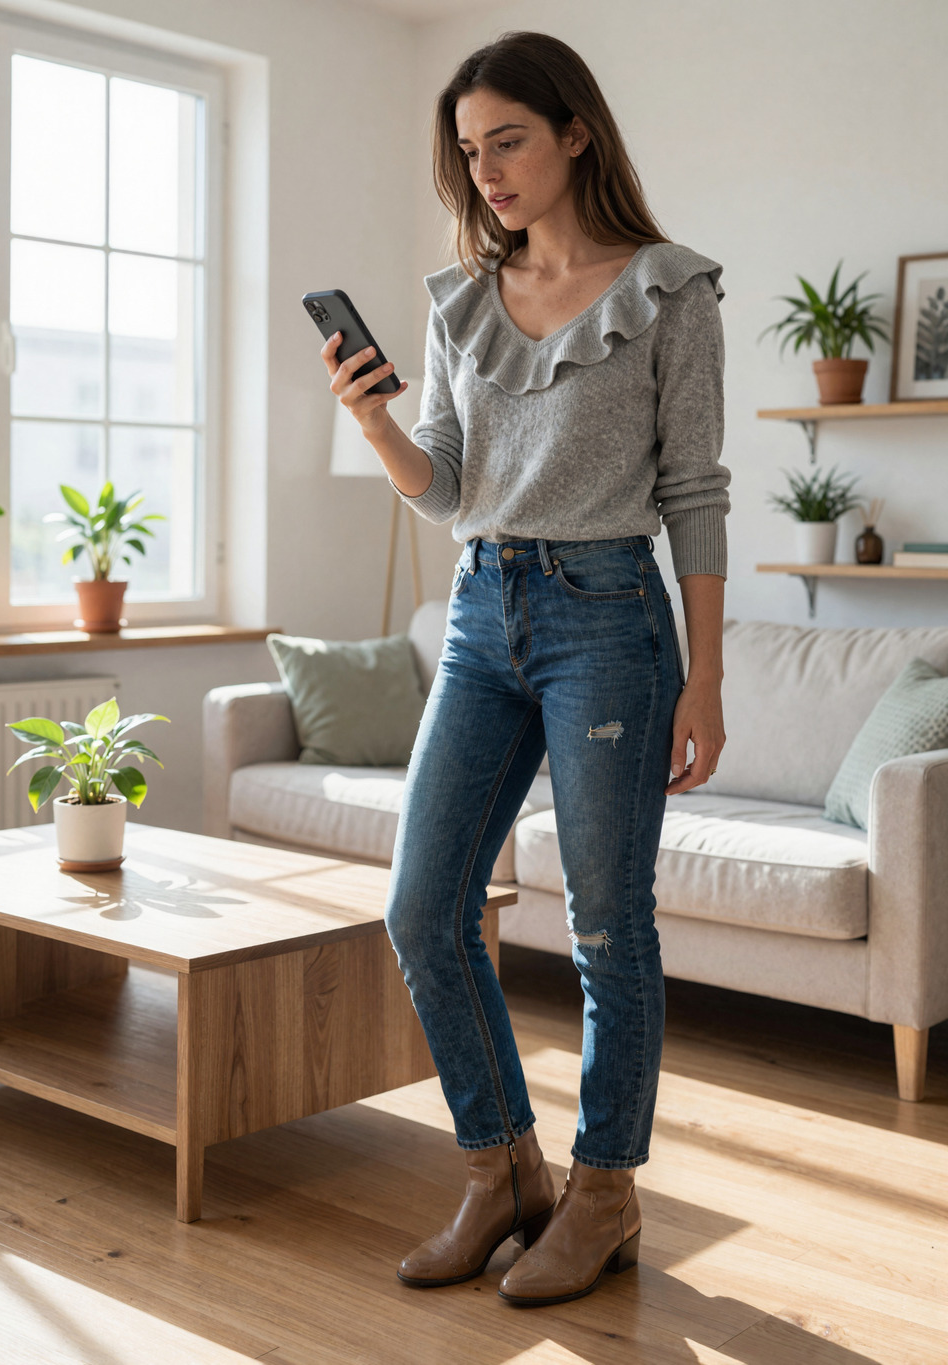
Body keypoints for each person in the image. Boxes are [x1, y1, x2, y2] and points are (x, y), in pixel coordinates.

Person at [319, 30, 729, 1308]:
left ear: (573, 134)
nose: (485, 170)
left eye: (506, 140)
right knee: (421, 910)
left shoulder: (670, 290)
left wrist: (703, 680)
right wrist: (377, 421)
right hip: (479, 607)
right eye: (467, 150)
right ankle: (502, 1169)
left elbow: (696, 497)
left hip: (609, 613)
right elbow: (444, 493)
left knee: (608, 928)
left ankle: (605, 1190)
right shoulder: (456, 302)